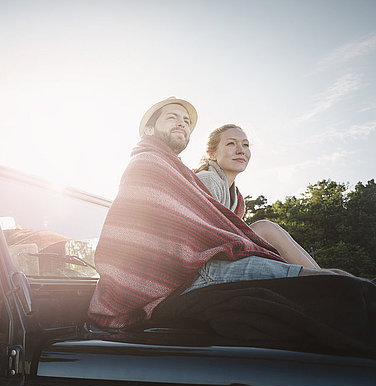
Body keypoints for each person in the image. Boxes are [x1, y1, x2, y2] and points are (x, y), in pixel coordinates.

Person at [87, 97, 349, 330]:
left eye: (186, 121)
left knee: (327, 280)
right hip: (194, 270)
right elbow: (178, 229)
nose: (182, 124)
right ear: (149, 129)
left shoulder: (183, 175)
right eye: (172, 117)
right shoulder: (154, 165)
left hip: (207, 261)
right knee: (331, 283)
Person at [193, 124, 324, 270]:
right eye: (231, 143)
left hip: (221, 250)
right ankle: (326, 279)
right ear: (212, 154)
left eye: (245, 145)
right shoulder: (208, 179)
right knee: (265, 228)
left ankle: (324, 276)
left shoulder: (235, 195)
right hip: (203, 259)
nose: (241, 150)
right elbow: (200, 233)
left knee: (275, 231)